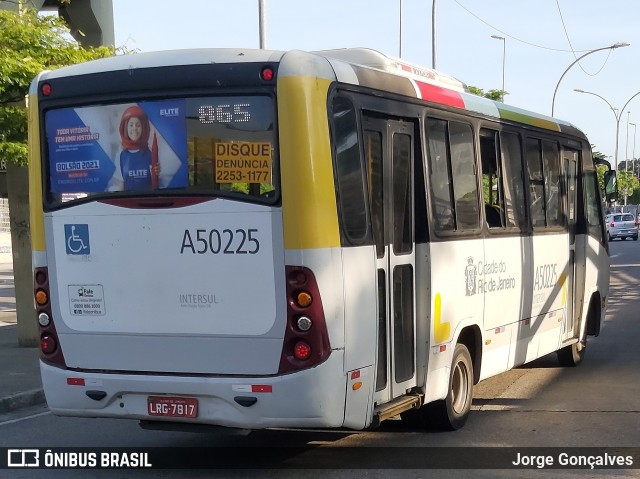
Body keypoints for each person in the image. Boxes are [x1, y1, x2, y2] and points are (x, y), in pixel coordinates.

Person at [118, 105, 159, 190]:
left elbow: (155, 182)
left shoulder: (150, 153)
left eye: (138, 125)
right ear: (126, 128)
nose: (135, 128)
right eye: (131, 125)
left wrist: (158, 172)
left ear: (143, 128)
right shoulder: (120, 155)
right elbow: (121, 183)